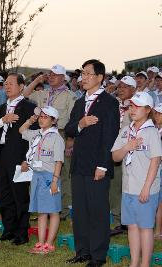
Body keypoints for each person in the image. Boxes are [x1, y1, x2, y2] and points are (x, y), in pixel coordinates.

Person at [65, 59, 120, 266]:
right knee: (79, 210)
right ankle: (83, 251)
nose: (84, 78)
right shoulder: (80, 102)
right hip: (78, 164)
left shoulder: (109, 102)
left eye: (88, 74)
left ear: (100, 77)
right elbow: (69, 130)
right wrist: (80, 123)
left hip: (98, 165)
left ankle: (98, 256)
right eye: (82, 74)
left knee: (97, 211)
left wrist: (103, 165)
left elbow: (110, 136)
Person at [111, 92, 161, 267]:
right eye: (131, 106)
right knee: (132, 226)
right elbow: (115, 157)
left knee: (145, 228)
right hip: (128, 188)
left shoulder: (152, 132)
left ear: (148, 110)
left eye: (137, 106)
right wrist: (127, 147)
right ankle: (134, 262)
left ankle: (145, 263)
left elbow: (155, 161)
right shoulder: (126, 131)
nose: (132, 109)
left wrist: (147, 187)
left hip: (145, 189)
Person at [0, 73, 38, 246]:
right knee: (4, 194)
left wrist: (27, 159)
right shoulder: (2, 108)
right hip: (1, 155)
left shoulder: (29, 107)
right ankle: (8, 229)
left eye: (11, 83)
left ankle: (22, 233)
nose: (7, 86)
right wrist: (3, 120)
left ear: (22, 86)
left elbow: (35, 136)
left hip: (19, 156)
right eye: (6, 84)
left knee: (20, 195)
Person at [24, 64, 76, 220]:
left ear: (63, 78)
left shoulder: (69, 95)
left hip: (60, 134)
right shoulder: (43, 93)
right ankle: (42, 207)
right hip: (41, 134)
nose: (51, 77)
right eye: (50, 74)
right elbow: (25, 94)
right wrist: (37, 80)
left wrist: (70, 140)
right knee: (39, 172)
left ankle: (62, 209)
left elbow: (73, 119)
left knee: (61, 173)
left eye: (55, 75)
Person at [19, 106, 64, 254]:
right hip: (36, 176)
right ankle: (40, 242)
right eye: (41, 116)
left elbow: (58, 161)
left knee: (53, 210)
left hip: (50, 176)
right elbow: (21, 131)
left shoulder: (56, 138)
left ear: (53, 121)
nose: (42, 119)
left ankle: (49, 243)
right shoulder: (36, 134)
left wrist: (54, 181)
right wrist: (30, 119)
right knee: (41, 211)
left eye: (46, 117)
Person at [110, 76, 136, 236]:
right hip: (116, 151)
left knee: (130, 187)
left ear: (133, 90)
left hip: (132, 153)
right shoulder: (114, 105)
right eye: (120, 86)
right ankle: (120, 221)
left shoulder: (137, 108)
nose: (121, 89)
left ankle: (130, 221)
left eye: (126, 87)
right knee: (115, 187)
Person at [153, 103, 162, 240]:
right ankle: (157, 230)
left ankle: (158, 231)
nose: (156, 116)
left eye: (159, 114)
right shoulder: (154, 129)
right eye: (156, 113)